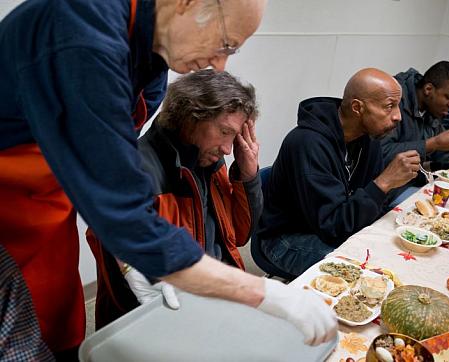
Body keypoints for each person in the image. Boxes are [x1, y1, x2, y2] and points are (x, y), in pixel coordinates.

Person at [0, 0, 336, 358]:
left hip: (49, 202)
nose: (218, 64)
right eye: (225, 44)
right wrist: (260, 293)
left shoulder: (153, 59)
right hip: (9, 203)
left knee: (58, 320)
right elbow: (120, 206)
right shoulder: (82, 34)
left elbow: (113, 166)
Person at [87, 69, 264, 328]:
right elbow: (132, 287)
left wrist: (248, 177)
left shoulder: (211, 162)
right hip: (166, 314)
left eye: (234, 136)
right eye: (224, 132)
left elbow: (239, 235)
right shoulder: (136, 173)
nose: (228, 148)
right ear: (191, 118)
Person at [256, 68, 421, 277]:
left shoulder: (368, 138)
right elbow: (332, 226)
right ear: (357, 108)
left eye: (398, 105)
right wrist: (383, 183)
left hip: (333, 228)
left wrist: (387, 186)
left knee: (395, 253)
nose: (398, 116)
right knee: (366, 275)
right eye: (389, 106)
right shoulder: (307, 143)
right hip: (286, 239)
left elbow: (364, 212)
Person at [380, 61, 449, 204]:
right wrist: (433, 143)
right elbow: (381, 152)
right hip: (387, 192)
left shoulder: (431, 108)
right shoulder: (396, 102)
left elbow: (443, 156)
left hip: (413, 182)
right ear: (428, 89)